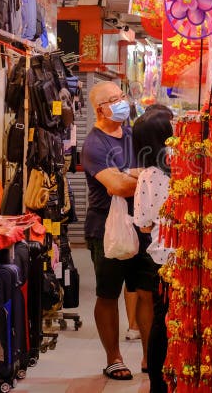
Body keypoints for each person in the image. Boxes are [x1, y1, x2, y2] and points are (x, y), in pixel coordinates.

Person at [82, 81, 145, 381]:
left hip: (140, 223)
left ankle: (149, 354)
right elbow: (117, 185)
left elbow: (155, 169)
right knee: (108, 293)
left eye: (122, 97)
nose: (122, 102)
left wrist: (135, 175)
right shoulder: (94, 145)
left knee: (145, 292)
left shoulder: (131, 134)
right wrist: (143, 179)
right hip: (106, 229)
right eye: (114, 99)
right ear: (100, 110)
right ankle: (114, 358)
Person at [132, 105, 174, 393]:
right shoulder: (186, 169)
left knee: (163, 319)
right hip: (190, 257)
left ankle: (158, 384)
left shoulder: (148, 175)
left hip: (162, 257)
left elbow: (143, 223)